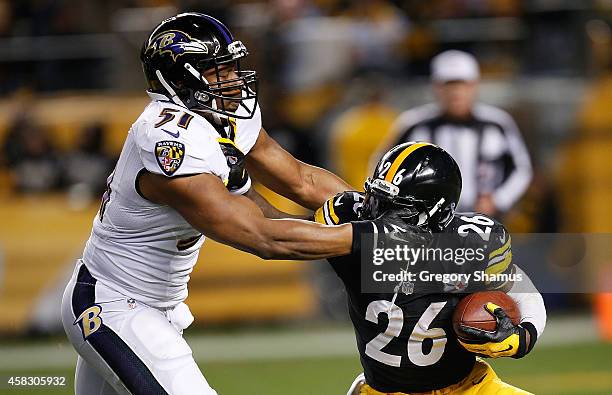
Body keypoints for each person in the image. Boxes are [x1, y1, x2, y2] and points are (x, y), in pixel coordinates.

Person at [60, 13, 406, 395]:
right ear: (176, 79)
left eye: (231, 68)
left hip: (153, 305)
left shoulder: (218, 117)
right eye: (217, 72)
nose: (232, 80)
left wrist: (384, 210)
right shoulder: (166, 139)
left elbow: (300, 179)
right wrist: (375, 238)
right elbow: (262, 236)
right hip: (116, 304)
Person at [315, 142, 546, 395]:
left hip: (468, 386)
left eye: (400, 209)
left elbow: (517, 283)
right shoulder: (361, 235)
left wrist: (524, 336)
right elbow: (296, 190)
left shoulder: (468, 243)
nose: (382, 217)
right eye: (380, 201)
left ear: (437, 213)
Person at [377, 50, 532, 216]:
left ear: (475, 86)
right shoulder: (413, 124)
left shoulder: (497, 123)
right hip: (424, 221)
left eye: (462, 84)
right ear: (435, 87)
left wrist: (498, 199)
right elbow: (383, 166)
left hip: (483, 219)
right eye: (449, 85)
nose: (456, 92)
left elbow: (521, 168)